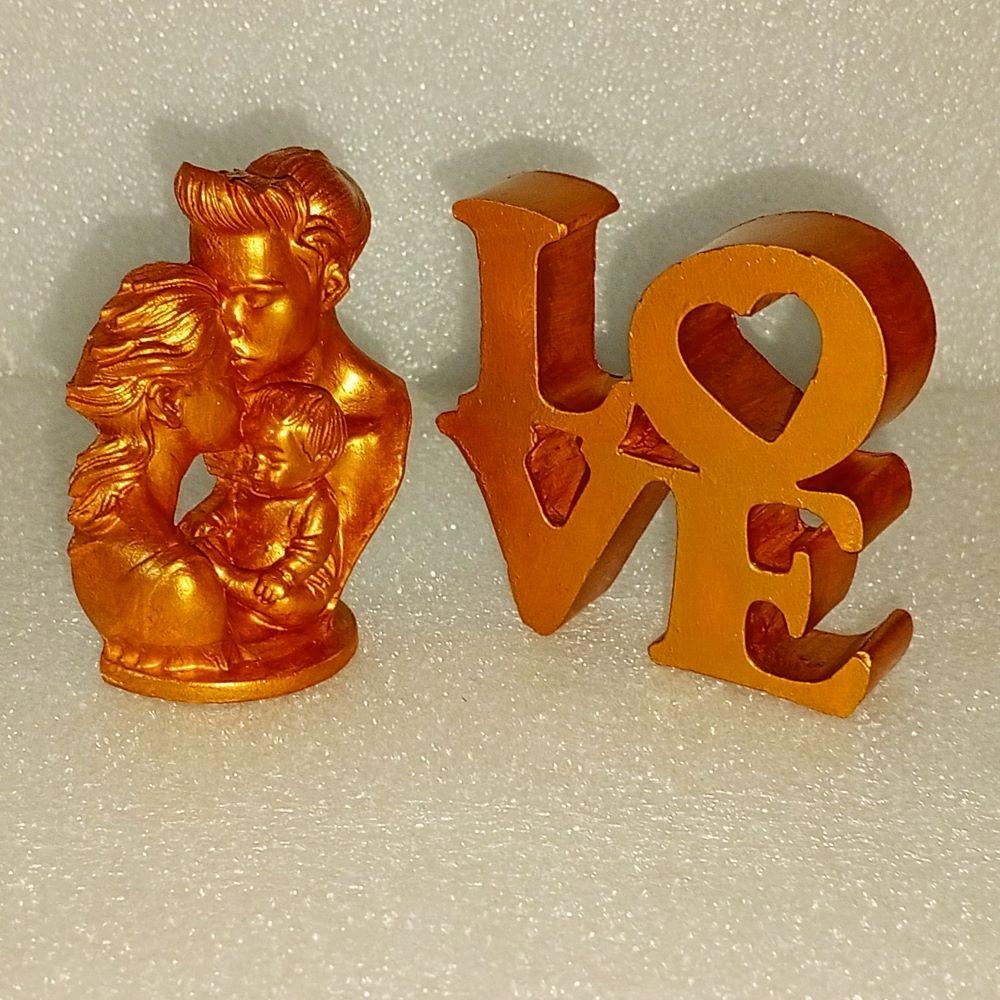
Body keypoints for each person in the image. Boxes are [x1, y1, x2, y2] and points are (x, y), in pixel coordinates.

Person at [173, 147, 411, 601]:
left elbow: (306, 588)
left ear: (330, 286)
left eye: (257, 299)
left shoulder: (371, 419)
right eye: (213, 293)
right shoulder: (207, 378)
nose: (226, 321)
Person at [66, 262, 242, 673]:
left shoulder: (96, 542)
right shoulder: (182, 584)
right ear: (168, 401)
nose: (240, 392)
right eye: (225, 374)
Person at [183, 382, 346, 638]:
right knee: (195, 545)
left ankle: (226, 579)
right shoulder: (252, 483)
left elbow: (309, 553)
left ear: (319, 464)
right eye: (254, 452)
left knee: (290, 604)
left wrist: (284, 576)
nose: (257, 466)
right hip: (242, 557)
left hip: (294, 580)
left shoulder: (317, 505)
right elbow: (232, 510)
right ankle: (221, 581)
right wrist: (213, 522)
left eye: (273, 460)